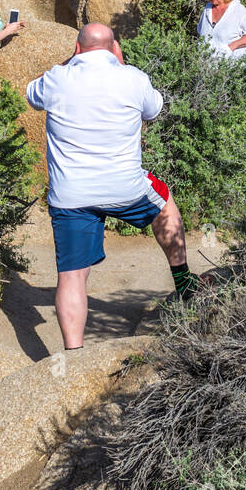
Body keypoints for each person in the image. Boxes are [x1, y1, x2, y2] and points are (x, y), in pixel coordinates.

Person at [25, 23, 198, 353]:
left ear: (78, 49)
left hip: (71, 194)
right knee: (163, 202)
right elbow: (154, 109)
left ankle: (74, 355)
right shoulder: (132, 78)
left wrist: (68, 63)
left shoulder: (56, 79)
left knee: (72, 276)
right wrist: (121, 66)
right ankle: (184, 283)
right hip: (125, 187)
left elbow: (32, 94)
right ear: (114, 49)